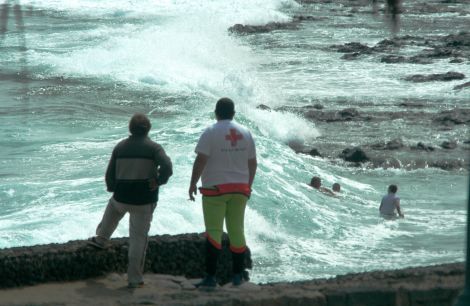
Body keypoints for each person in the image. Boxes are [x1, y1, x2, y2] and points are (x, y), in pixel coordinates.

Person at [87, 113, 173, 288]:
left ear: (130, 129)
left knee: (112, 209)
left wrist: (112, 187)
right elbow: (167, 166)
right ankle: (134, 279)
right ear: (148, 129)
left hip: (121, 197)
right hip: (144, 201)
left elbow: (109, 173)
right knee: (138, 239)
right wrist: (159, 181)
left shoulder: (120, 147)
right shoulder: (154, 148)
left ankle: (102, 238)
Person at [188, 97, 257, 288]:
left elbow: (201, 160)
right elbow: (253, 163)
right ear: (233, 113)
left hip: (215, 190)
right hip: (240, 189)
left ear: (216, 112)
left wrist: (193, 183)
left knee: (214, 233)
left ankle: (210, 278)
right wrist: (248, 185)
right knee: (237, 231)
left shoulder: (210, 132)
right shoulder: (246, 132)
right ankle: (237, 276)